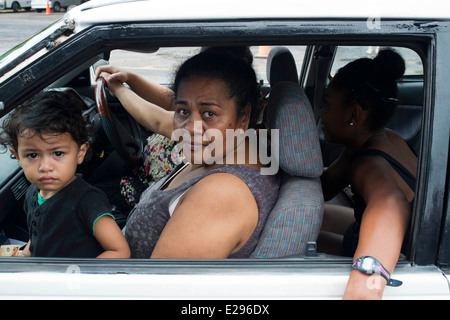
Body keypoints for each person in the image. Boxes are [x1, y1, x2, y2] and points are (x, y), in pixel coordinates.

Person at [97, 51, 280, 259]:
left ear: (244, 116)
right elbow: (158, 120)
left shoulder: (220, 196)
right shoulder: (228, 148)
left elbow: (159, 287)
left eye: (209, 114)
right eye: (183, 111)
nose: (191, 128)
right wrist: (120, 87)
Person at [319, 49, 417, 299]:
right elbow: (323, 190)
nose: (321, 113)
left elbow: (391, 204)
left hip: (396, 249)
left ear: (353, 114)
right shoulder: (381, 139)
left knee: (296, 242)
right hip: (368, 230)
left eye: (327, 104)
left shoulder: (369, 166)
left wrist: (366, 283)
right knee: (308, 217)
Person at [0, 91, 130, 258]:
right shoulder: (32, 193)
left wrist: (79, 277)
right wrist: (25, 256)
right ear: (17, 156)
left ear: (80, 152)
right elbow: (38, 235)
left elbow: (120, 251)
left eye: (58, 154)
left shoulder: (88, 201)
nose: (45, 167)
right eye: (32, 155)